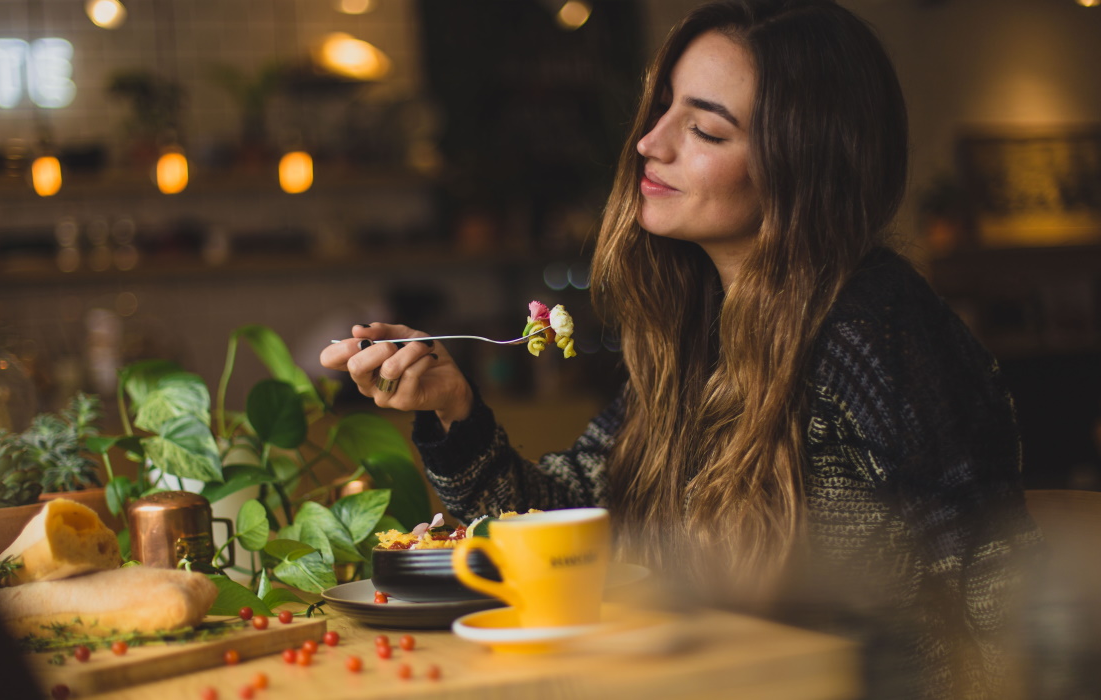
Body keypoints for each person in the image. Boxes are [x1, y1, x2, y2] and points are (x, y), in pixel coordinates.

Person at [321, 0, 1040, 696]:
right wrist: (454, 409)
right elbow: (568, 520)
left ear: (803, 167)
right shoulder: (703, 334)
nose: (649, 142)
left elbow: (999, 589)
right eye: (663, 106)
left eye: (706, 130)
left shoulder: (873, 332)